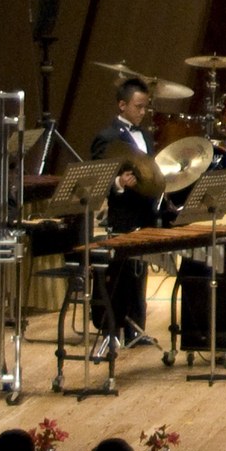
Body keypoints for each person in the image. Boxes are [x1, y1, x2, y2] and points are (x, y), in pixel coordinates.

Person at [93, 76, 165, 355]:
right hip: (122, 214)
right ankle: (113, 330)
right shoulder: (106, 137)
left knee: (139, 273)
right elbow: (100, 177)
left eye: (145, 107)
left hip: (144, 210)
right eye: (138, 107)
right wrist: (119, 184)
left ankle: (137, 327)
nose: (142, 112)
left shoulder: (145, 135)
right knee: (120, 275)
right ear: (122, 105)